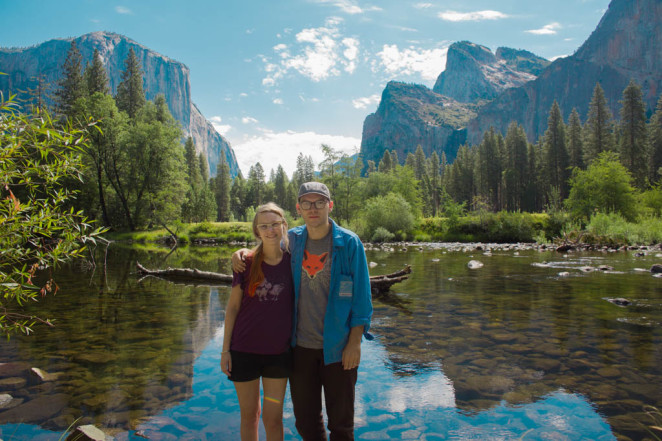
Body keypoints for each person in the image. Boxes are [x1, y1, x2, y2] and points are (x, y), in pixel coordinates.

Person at [233, 182, 373, 441]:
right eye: (306, 203)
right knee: (307, 424)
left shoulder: (350, 244)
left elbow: (362, 302)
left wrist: (355, 343)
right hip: (300, 350)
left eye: (319, 202)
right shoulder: (293, 240)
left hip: (339, 349)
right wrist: (243, 253)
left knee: (341, 426)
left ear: (330, 206)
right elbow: (266, 247)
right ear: (298, 208)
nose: (313, 208)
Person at [221, 202, 294, 441]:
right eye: (264, 226)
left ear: (284, 226)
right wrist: (225, 351)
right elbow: (232, 308)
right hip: (243, 352)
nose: (270, 230)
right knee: (249, 415)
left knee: (273, 419)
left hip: (278, 355)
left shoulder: (294, 263)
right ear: (257, 230)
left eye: (275, 224)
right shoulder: (245, 263)